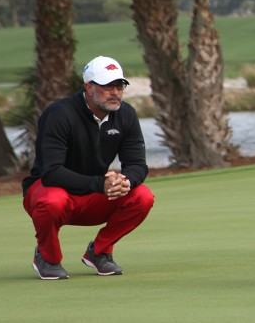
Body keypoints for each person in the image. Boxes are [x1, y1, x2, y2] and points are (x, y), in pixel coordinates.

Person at [22, 56, 155, 280]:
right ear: (88, 87)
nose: (115, 93)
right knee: (52, 201)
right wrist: (100, 184)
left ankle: (100, 252)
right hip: (51, 191)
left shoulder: (126, 114)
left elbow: (137, 165)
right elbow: (51, 172)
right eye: (107, 86)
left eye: (119, 86)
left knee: (142, 196)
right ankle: (47, 257)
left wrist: (125, 182)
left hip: (93, 194)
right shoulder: (59, 114)